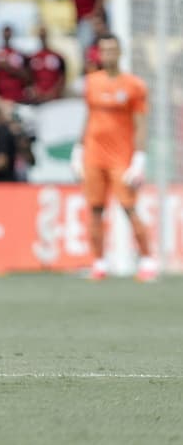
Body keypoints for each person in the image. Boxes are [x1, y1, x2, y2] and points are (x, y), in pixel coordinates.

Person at [70, 34, 156, 282]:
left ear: (120, 53)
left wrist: (139, 158)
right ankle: (98, 263)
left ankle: (148, 260)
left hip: (121, 157)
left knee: (129, 208)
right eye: (104, 50)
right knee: (95, 209)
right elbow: (89, 117)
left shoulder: (134, 85)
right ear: (99, 54)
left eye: (112, 50)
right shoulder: (92, 83)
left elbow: (141, 124)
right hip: (94, 155)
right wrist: (78, 150)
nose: (108, 55)